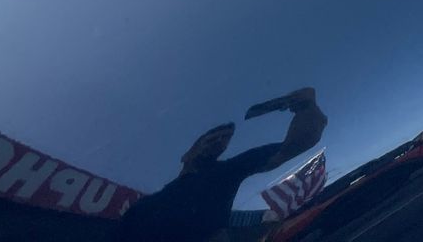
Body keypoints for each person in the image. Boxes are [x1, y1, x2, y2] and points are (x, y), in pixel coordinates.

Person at [119, 88, 328, 241]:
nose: (219, 142)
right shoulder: (143, 206)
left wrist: (307, 107)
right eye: (212, 137)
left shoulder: (227, 173)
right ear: (186, 153)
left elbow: (295, 146)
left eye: (224, 140)